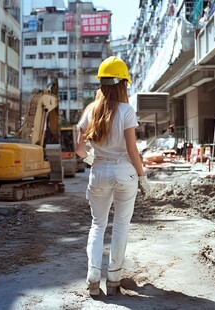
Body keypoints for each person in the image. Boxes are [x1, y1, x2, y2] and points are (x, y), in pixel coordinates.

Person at [75, 56, 151, 296]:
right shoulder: (127, 111)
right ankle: (114, 279)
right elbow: (132, 150)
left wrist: (92, 160)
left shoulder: (90, 110)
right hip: (124, 173)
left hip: (98, 172)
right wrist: (143, 177)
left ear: (102, 83)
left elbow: (78, 149)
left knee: (98, 225)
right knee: (120, 225)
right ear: (122, 84)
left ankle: (93, 276)